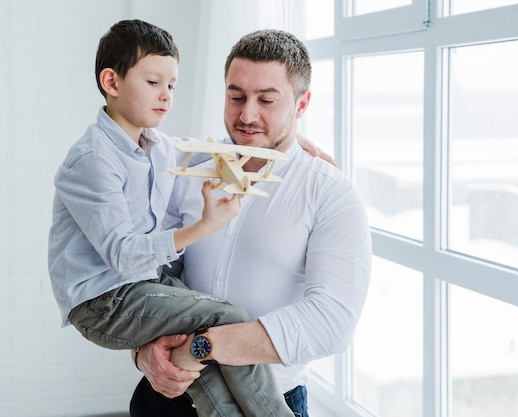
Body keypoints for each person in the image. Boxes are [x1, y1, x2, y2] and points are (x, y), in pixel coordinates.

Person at [48, 19, 297, 417]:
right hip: (103, 301)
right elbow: (123, 256)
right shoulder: (92, 160)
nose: (166, 96)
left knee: (205, 359)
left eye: (171, 85)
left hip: (139, 286)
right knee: (229, 317)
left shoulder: (157, 145)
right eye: (152, 83)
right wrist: (202, 227)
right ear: (111, 82)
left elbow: (217, 150)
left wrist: (297, 140)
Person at [131, 29, 372, 417]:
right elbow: (149, 274)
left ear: (302, 103)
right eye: (236, 96)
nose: (247, 115)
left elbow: (331, 322)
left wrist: (202, 348)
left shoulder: (331, 193)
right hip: (165, 393)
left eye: (267, 100)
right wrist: (142, 353)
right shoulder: (188, 167)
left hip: (263, 404)